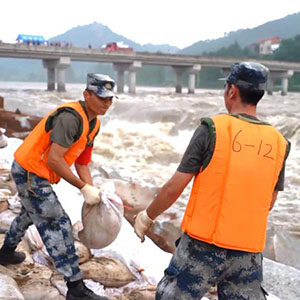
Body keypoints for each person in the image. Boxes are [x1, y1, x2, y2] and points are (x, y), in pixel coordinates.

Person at [134, 62, 290, 300]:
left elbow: (174, 187)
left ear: (232, 91)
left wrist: (147, 216)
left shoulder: (213, 129)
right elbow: (268, 202)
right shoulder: (279, 143)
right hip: (248, 253)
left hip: (202, 246)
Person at [0, 73, 117, 300]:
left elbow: (82, 161)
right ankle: (75, 288)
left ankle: (5, 252)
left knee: (29, 214)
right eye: (102, 98)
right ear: (87, 94)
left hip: (36, 171)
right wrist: (83, 187)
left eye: (111, 99)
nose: (107, 103)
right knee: (58, 223)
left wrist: (92, 194)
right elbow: (55, 160)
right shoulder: (71, 118)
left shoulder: (93, 123)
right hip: (30, 171)